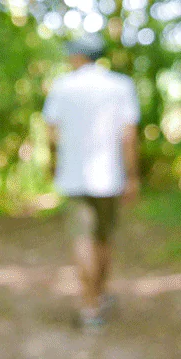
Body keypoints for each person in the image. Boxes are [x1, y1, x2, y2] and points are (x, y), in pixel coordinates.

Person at [42, 37, 140, 329]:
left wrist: (53, 163)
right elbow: (129, 135)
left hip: (73, 177)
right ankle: (100, 293)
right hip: (110, 177)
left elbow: (51, 132)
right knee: (103, 239)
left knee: (82, 240)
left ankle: (89, 305)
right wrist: (133, 176)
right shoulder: (121, 86)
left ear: (78, 57)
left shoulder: (61, 86)